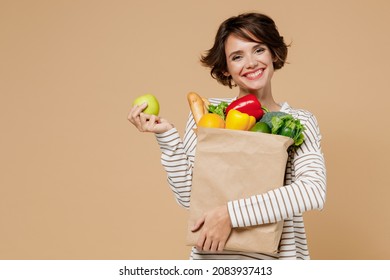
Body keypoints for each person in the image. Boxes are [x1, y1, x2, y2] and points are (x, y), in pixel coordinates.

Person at [128, 12, 326, 260]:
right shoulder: (209, 114)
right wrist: (166, 137)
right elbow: (190, 197)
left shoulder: (298, 121)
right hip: (212, 261)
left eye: (258, 50)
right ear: (226, 68)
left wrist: (230, 215)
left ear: (273, 53)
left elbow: (312, 191)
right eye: (237, 56)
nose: (251, 63)